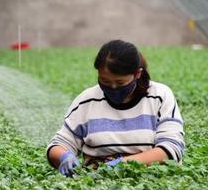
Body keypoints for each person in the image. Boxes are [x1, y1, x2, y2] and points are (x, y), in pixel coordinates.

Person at [47, 40, 185, 176]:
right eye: (105, 81)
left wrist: (121, 164)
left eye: (120, 82)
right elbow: (60, 143)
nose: (113, 88)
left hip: (151, 182)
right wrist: (64, 156)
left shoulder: (159, 96)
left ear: (137, 74)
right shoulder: (87, 101)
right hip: (96, 183)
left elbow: (171, 149)